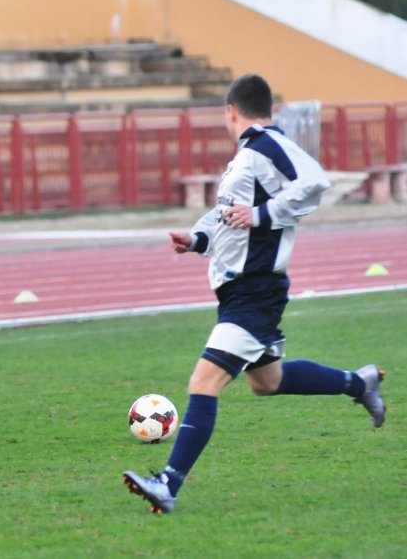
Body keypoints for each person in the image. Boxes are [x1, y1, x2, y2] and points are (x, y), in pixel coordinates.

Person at [122, 74, 386, 514]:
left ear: (231, 110)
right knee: (268, 382)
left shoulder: (266, 144)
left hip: (256, 293)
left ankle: (168, 485)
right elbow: (229, 217)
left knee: (203, 382)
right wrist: (197, 240)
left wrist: (263, 213)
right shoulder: (248, 156)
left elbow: (314, 180)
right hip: (241, 293)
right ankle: (359, 382)